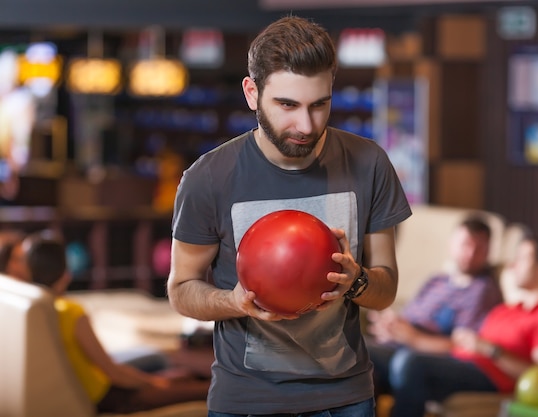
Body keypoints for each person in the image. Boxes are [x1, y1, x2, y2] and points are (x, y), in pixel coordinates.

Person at [167, 15, 412, 416]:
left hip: (346, 399)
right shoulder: (208, 177)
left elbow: (385, 290)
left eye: (320, 105)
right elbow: (181, 289)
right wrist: (233, 301)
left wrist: (356, 281)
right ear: (252, 92)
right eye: (287, 105)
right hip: (246, 399)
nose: (306, 124)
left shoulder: (369, 163)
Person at [21, 231, 211, 414]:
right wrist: (154, 382)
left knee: (182, 377)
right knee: (200, 389)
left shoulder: (40, 310)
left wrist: (155, 381)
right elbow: (113, 372)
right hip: (109, 396)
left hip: (102, 390)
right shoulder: (70, 312)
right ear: (65, 273)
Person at [384, 237, 538, 417]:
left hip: (489, 378)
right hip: (457, 362)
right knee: (372, 357)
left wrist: (491, 350)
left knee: (410, 363)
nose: (512, 265)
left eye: (521, 259)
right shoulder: (505, 309)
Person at [366, 216, 503, 401]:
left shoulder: (483, 290)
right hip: (396, 345)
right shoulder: (437, 281)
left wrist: (413, 338)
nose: (471, 254)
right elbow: (408, 317)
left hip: (424, 357)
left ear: (488, 252)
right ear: (451, 245)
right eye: (466, 245)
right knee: (361, 360)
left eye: (479, 248)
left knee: (362, 352)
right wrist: (390, 326)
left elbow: (462, 345)